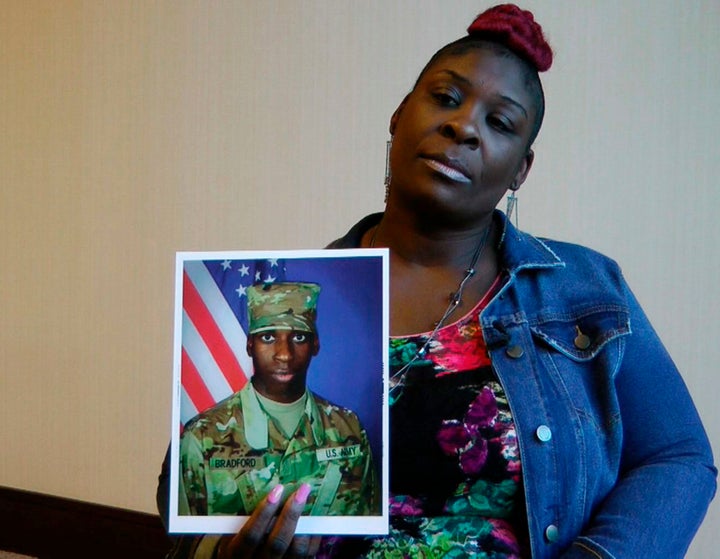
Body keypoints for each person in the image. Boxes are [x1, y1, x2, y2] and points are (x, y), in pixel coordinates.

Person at [159, 4, 716, 558]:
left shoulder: (586, 289)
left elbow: (680, 457)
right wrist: (223, 549)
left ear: (521, 168)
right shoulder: (285, 298)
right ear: (400, 115)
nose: (464, 125)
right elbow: (184, 488)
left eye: (500, 123)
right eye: (446, 98)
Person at [164, 282, 379, 557]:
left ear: (316, 344)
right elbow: (184, 548)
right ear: (249, 345)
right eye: (267, 337)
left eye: (298, 337)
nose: (284, 354)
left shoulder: (349, 428)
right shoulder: (202, 436)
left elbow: (370, 541)